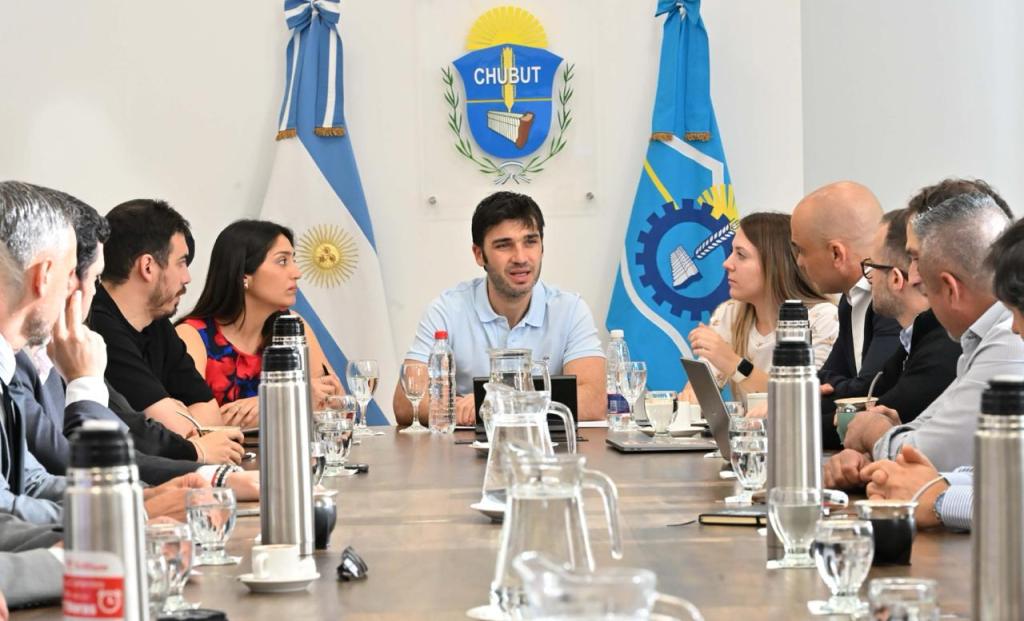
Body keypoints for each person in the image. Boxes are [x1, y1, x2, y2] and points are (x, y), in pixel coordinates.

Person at [12, 195, 252, 492]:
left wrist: (206, 477)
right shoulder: (37, 355)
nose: (92, 292)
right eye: (93, 278)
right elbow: (75, 463)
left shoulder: (151, 324)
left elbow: (121, 432)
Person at [824, 191, 1024, 489]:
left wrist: (877, 434)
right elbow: (933, 444)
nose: (912, 275)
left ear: (950, 287)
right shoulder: (977, 337)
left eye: (915, 258)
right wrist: (886, 440)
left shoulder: (1009, 338)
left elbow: (929, 455)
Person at [859, 208, 1024, 531]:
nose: (1015, 328)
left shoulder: (1005, 342)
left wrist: (937, 497)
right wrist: (925, 482)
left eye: (1020, 312)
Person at [393, 192, 606, 425]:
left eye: (530, 242)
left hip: (548, 453)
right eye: (504, 245)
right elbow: (406, 402)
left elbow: (594, 400)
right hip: (464, 457)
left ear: (542, 248)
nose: (521, 257)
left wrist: (493, 403)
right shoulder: (446, 310)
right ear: (478, 254)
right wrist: (467, 408)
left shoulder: (571, 309)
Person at [175, 219, 343, 426]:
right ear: (244, 275)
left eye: (294, 260)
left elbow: (333, 402)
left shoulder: (292, 325)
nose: (297, 273)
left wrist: (267, 405)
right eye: (282, 261)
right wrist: (286, 400)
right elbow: (193, 425)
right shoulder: (191, 335)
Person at [87, 199, 224, 436]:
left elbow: (212, 416)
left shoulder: (156, 320)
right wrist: (179, 414)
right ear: (148, 267)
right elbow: (176, 433)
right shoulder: (97, 326)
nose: (187, 277)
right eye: (181, 263)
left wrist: (178, 415)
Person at [790, 181, 903, 449]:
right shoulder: (849, 301)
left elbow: (872, 391)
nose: (799, 263)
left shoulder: (889, 303)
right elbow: (823, 377)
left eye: (801, 250)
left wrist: (840, 388)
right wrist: (844, 386)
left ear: (836, 253)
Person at [679, 212, 837, 403]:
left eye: (741, 255)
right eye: (731, 252)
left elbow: (802, 398)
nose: (727, 263)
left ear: (776, 264)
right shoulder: (731, 312)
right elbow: (697, 395)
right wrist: (693, 396)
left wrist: (732, 362)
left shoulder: (823, 319)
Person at [840, 208, 960, 433]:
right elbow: (871, 393)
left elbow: (886, 409)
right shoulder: (916, 334)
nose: (916, 274)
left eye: (872, 267)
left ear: (895, 278)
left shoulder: (944, 342)